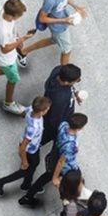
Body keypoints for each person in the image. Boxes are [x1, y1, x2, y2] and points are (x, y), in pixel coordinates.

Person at [21, 64, 81, 204]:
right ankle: (27, 169)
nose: (76, 82)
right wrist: (63, 131)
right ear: (67, 82)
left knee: (38, 142)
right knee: (38, 143)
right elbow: (56, 120)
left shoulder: (57, 71)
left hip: (52, 122)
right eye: (76, 81)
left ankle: (28, 172)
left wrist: (75, 93)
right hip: (55, 127)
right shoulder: (61, 98)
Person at [20, 0, 88, 66]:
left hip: (63, 20)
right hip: (58, 27)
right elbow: (42, 18)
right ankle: (64, 76)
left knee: (54, 40)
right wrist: (64, 21)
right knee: (67, 50)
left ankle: (23, 52)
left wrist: (76, 6)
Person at [0, 96, 51, 198]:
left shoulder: (31, 109)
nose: (48, 110)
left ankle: (26, 184)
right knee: (26, 170)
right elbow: (24, 146)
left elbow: (22, 113)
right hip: (30, 151)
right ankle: (0, 182)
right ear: (42, 112)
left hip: (34, 148)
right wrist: (24, 161)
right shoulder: (33, 127)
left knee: (34, 165)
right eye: (47, 109)